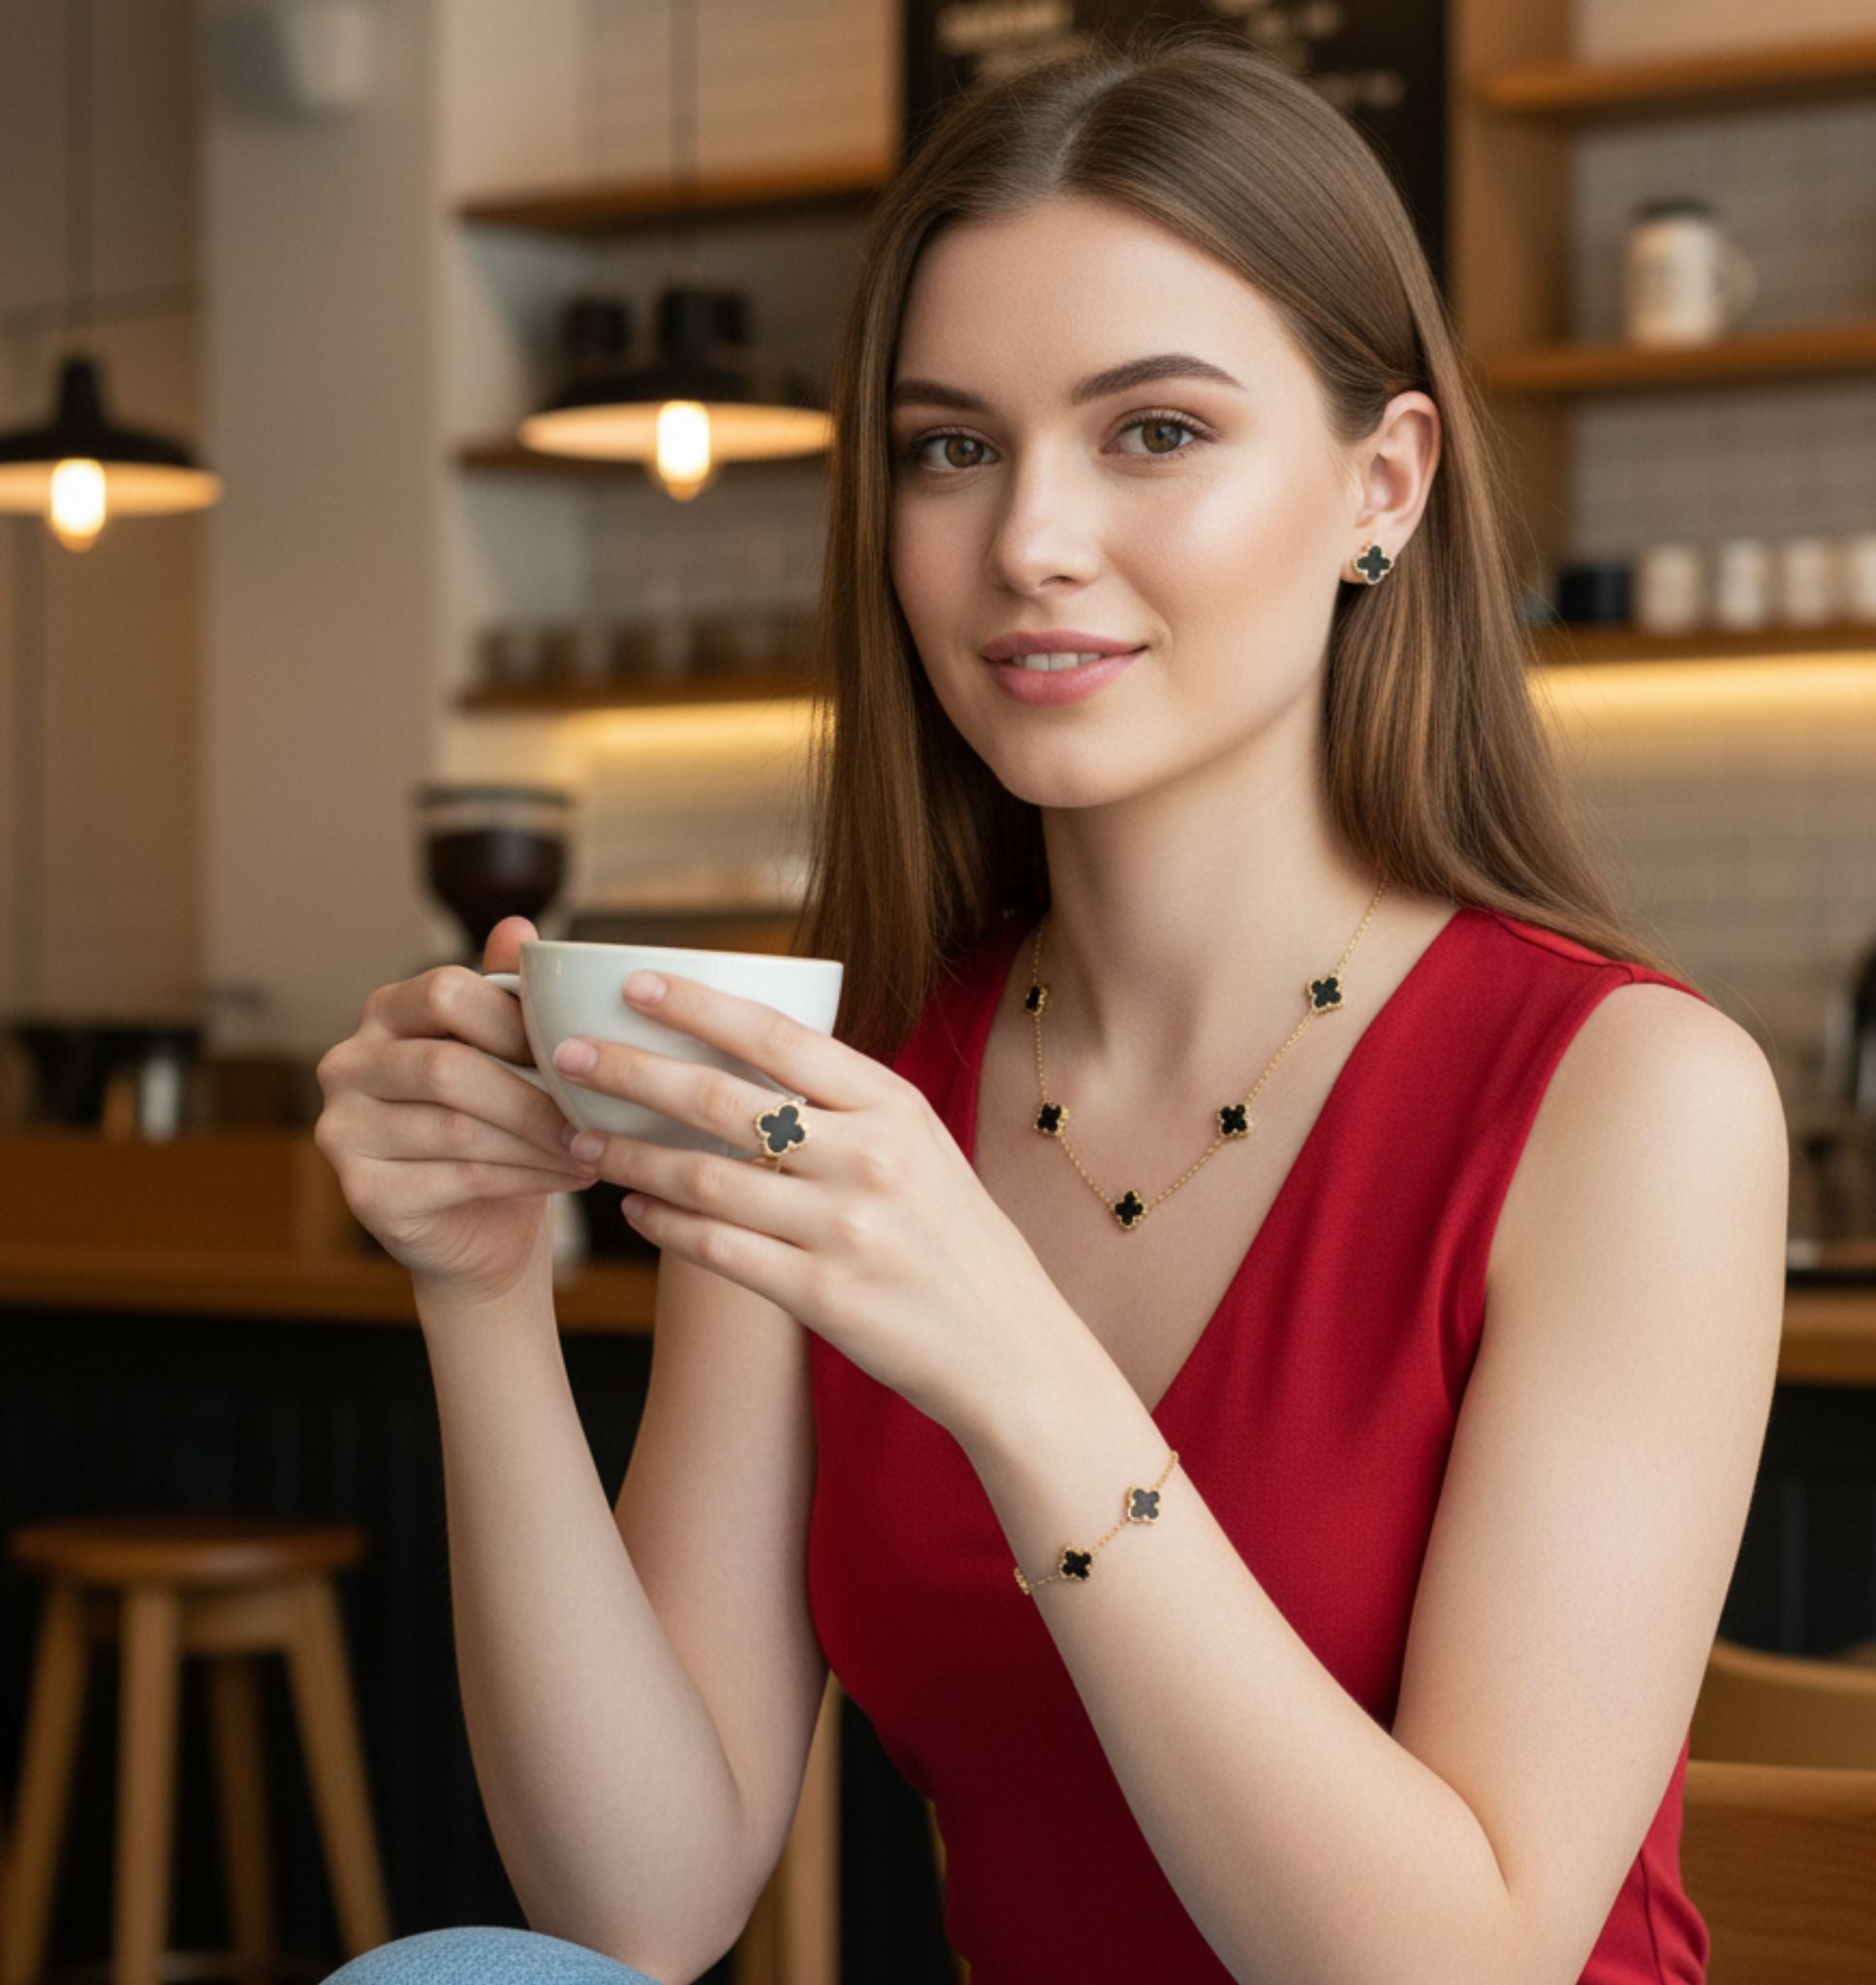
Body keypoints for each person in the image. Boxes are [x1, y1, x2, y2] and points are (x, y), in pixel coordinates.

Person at [312, 26, 1787, 1985]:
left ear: (1383, 483)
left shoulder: (1634, 1099)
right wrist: (478, 1286)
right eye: (953, 445)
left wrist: (1011, 1360)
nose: (1026, 543)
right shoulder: (833, 1087)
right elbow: (639, 1904)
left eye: (1152, 430)